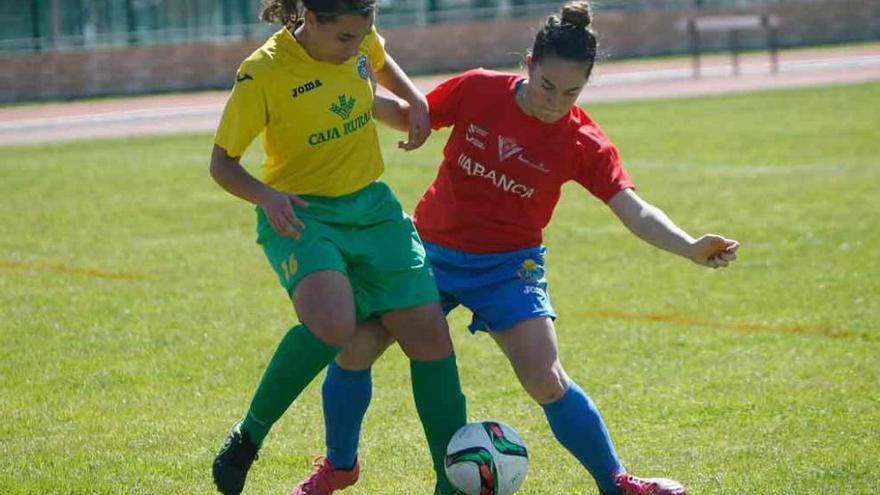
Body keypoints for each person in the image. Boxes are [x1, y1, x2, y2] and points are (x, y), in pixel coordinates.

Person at [308, 1, 740, 494]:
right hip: (428, 251)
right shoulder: (478, 89)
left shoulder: (582, 141)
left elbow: (632, 208)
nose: (555, 102)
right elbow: (410, 117)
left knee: (545, 377)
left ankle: (615, 481)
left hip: (509, 268)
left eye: (572, 92)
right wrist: (350, 92)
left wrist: (689, 245)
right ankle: (340, 466)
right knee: (356, 346)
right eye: (547, 86)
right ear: (528, 64)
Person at [208, 1, 468, 494]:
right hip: (302, 212)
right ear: (309, 16)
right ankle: (249, 436)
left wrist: (416, 100)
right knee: (333, 325)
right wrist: (266, 196)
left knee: (430, 337)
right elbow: (222, 164)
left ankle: (450, 485)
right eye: (345, 39)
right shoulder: (262, 72)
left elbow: (379, 64)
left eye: (362, 35)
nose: (356, 47)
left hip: (374, 211)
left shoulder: (359, 39)